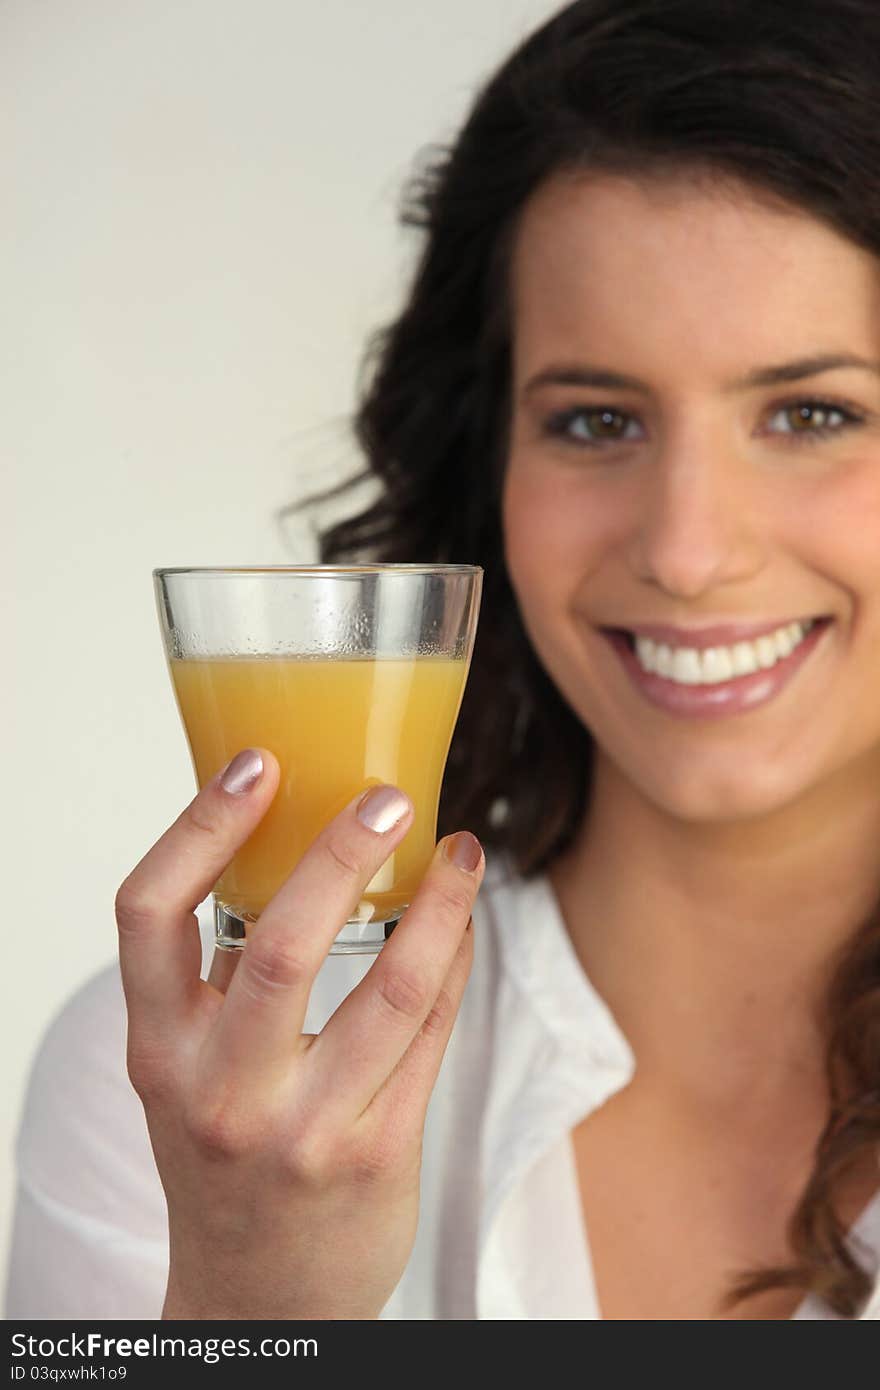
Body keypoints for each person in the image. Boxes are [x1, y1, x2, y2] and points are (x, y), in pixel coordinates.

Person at [7, 0, 880, 1320]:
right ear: (492, 476)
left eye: (815, 412)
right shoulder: (196, 1098)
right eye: (595, 418)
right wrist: (255, 1294)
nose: (689, 550)